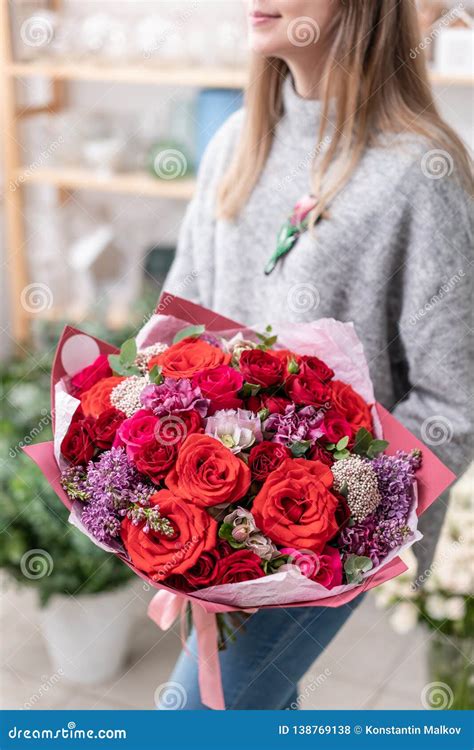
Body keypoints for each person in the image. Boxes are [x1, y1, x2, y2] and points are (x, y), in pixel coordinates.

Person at [162, 0, 473, 710]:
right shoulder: (234, 144)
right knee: (263, 709)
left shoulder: (418, 176)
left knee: (195, 717)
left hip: (323, 541)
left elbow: (455, 400)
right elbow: (177, 326)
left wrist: (332, 520)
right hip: (208, 523)